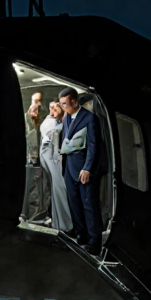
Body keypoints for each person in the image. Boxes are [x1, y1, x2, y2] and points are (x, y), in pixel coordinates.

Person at [58, 87, 103, 252]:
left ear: (74, 101)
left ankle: (94, 242)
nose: (62, 107)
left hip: (84, 169)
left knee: (89, 205)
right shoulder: (67, 117)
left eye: (65, 104)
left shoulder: (90, 118)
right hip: (69, 167)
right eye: (61, 104)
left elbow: (94, 145)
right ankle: (80, 235)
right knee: (74, 203)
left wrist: (87, 168)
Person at [40, 101, 72, 232]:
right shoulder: (51, 122)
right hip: (53, 160)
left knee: (58, 190)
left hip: (55, 159)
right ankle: (64, 224)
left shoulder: (58, 122)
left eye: (55, 107)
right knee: (58, 189)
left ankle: (62, 223)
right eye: (51, 107)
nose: (52, 110)